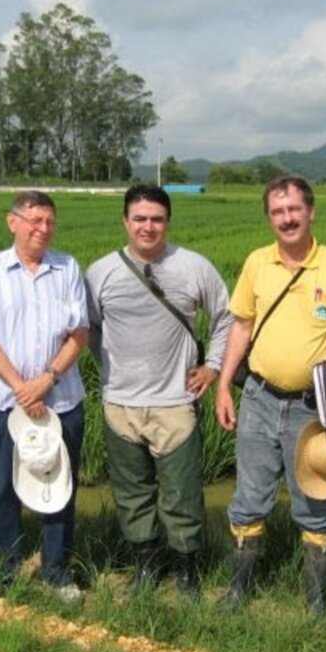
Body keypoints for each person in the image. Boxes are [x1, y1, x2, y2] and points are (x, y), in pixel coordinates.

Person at [214, 175, 326, 615]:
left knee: (315, 500)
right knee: (249, 496)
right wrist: (224, 384)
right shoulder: (257, 263)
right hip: (259, 399)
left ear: (311, 211)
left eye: (294, 210)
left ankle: (316, 601)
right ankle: (238, 591)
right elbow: (240, 326)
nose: (287, 219)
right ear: (270, 218)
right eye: (278, 212)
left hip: (313, 408)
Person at [85, 185, 232, 597]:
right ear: (125, 222)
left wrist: (213, 367)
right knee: (132, 494)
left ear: (168, 222)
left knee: (181, 494)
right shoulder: (101, 272)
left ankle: (187, 573)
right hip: (120, 403)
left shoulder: (193, 267)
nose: (148, 226)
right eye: (139, 219)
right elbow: (90, 328)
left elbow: (226, 317)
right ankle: (146, 568)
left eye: (156, 219)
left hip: (175, 404)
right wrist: (111, 364)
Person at [0, 191, 89, 602]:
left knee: (59, 487)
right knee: (3, 488)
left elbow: (79, 334)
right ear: (11, 222)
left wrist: (46, 380)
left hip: (62, 399)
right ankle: (5, 569)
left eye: (49, 221)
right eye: (34, 220)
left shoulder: (67, 268)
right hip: (6, 402)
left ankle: (56, 570)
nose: (43, 228)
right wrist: (22, 386)